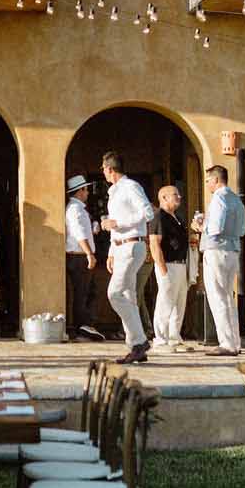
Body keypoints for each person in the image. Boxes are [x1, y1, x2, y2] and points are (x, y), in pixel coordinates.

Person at [99, 151, 156, 364]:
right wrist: (111, 252)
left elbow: (147, 212)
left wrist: (118, 223)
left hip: (133, 246)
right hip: (122, 247)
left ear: (110, 169)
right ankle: (135, 347)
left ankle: (139, 341)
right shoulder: (114, 192)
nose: (103, 172)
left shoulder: (131, 186)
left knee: (114, 294)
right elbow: (117, 226)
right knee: (129, 297)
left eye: (103, 168)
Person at [199, 165, 245, 356]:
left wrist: (202, 226)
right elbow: (242, 230)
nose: (208, 184)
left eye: (208, 180)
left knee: (217, 297)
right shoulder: (236, 199)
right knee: (227, 297)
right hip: (233, 250)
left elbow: (216, 227)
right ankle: (235, 342)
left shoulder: (218, 198)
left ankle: (226, 343)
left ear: (216, 180)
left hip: (216, 250)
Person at [150, 184, 190, 352]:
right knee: (165, 302)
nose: (179, 197)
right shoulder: (159, 216)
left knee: (179, 303)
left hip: (181, 265)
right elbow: (154, 244)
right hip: (168, 265)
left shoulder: (177, 218)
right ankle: (160, 338)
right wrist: (162, 269)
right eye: (175, 194)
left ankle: (174, 338)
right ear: (164, 198)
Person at [65, 175, 99, 341]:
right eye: (86, 190)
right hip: (79, 256)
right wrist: (89, 254)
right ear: (80, 191)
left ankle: (85, 326)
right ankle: (82, 327)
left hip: (80, 255)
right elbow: (78, 234)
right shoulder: (75, 209)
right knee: (82, 293)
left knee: (87, 291)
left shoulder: (78, 209)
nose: (87, 193)